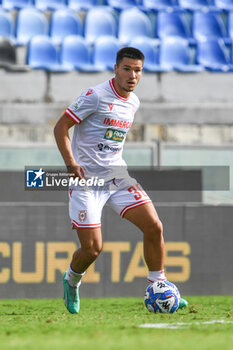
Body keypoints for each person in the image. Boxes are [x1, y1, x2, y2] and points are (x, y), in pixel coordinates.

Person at [54, 47, 188, 314]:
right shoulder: (95, 95)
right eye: (127, 68)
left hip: (117, 177)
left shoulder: (134, 102)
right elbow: (60, 128)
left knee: (154, 227)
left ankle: (158, 286)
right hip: (87, 182)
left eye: (137, 70)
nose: (132, 75)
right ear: (116, 69)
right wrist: (71, 163)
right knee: (92, 249)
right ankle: (71, 280)